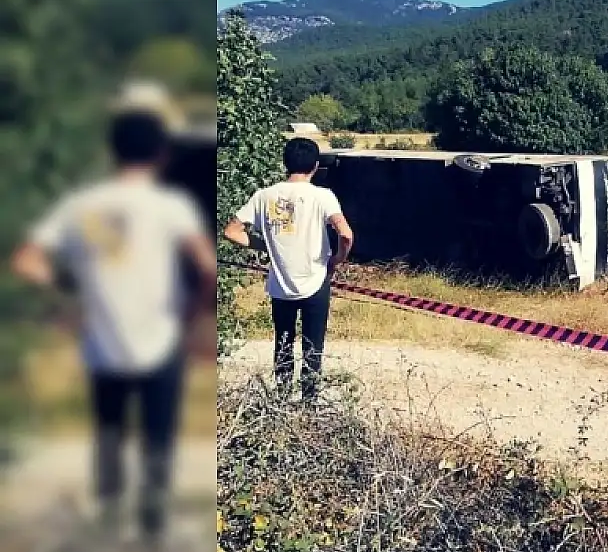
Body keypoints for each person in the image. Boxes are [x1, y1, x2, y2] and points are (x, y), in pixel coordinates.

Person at [9, 110, 217, 547]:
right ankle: (152, 525)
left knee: (109, 434)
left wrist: (69, 294)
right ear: (161, 154)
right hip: (161, 341)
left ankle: (108, 518)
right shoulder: (171, 206)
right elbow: (207, 267)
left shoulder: (82, 204)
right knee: (158, 437)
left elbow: (26, 260)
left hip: (102, 342)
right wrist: (193, 315)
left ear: (112, 151)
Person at [223, 137, 354, 402]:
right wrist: (336, 259)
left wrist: (266, 246)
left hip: (280, 285)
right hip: (316, 283)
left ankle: (280, 403)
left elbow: (231, 231)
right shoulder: (322, 196)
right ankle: (309, 405)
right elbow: (346, 234)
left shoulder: (263, 196)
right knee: (312, 348)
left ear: (285, 164)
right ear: (316, 166)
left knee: (282, 346)